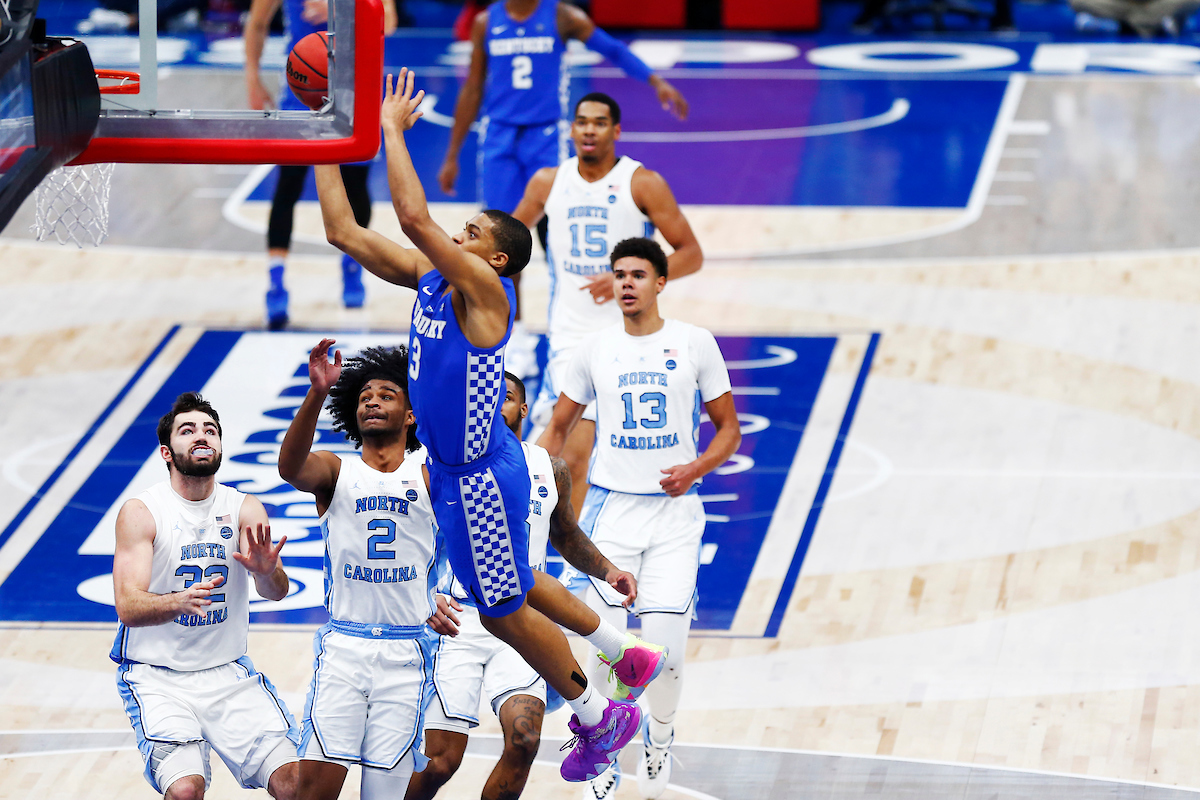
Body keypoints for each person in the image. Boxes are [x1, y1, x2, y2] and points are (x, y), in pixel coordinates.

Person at [313, 69, 667, 784]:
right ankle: (624, 653)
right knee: (512, 587)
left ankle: (602, 714)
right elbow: (342, 229)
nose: (455, 231)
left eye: (470, 231)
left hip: (477, 474)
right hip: (458, 467)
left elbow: (413, 218)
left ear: (496, 258)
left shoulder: (487, 291)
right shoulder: (433, 279)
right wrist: (320, 137)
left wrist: (388, 128)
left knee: (501, 609)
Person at [537, 237, 742, 800]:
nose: (626, 282)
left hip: (676, 514)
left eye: (637, 274)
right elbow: (557, 428)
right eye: (618, 274)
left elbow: (729, 430)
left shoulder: (695, 343)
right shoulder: (594, 349)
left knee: (667, 657)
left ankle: (660, 737)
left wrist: (696, 468)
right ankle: (602, 750)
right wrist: (525, 475)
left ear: (660, 283)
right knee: (609, 655)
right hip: (612, 509)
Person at [409, 371, 638, 800]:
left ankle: (620, 660)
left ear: (524, 410)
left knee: (525, 740)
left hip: (524, 622)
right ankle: (620, 660)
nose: (496, 404)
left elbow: (566, 534)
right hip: (456, 621)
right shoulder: (446, 463)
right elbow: (415, 538)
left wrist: (607, 569)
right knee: (440, 760)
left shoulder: (549, 468)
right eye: (487, 397)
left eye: (507, 397)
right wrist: (424, 596)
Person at [436, 0, 690, 377]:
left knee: (559, 237)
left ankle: (580, 319)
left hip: (545, 136)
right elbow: (473, 86)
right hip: (499, 138)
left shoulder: (560, 16)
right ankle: (514, 335)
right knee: (500, 240)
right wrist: (453, 153)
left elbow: (613, 48)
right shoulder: (486, 22)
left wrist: (654, 80)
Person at [513, 91, 702, 514]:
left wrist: (631, 275)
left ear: (615, 131)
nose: (589, 130)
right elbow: (505, 242)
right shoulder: (547, 182)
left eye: (599, 122)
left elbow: (691, 253)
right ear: (572, 129)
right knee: (568, 455)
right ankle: (556, 554)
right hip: (570, 338)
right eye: (581, 121)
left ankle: (598, 549)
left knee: (612, 457)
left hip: (628, 339)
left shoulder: (642, 182)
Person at [110, 392, 299, 800]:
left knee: (295, 784)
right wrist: (177, 601)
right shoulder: (142, 511)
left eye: (210, 430)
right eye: (188, 430)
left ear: (220, 447)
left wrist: (269, 573)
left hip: (227, 673)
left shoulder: (245, 508)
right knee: (184, 792)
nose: (201, 436)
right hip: (157, 677)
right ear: (167, 451)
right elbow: (128, 606)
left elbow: (277, 593)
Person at [277, 338, 440, 799]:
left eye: (387, 394)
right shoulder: (336, 470)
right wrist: (317, 393)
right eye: (365, 396)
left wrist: (444, 591)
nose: (371, 400)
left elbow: (456, 546)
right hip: (345, 648)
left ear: (411, 415)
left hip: (408, 651)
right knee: (314, 792)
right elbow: (290, 468)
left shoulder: (429, 475)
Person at [243, 0, 398, 329]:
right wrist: (252, 78)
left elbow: (391, 21)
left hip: (355, 88)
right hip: (302, 92)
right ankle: (276, 281)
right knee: (287, 187)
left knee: (356, 188)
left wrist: (347, 9)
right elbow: (257, 23)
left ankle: (353, 265)